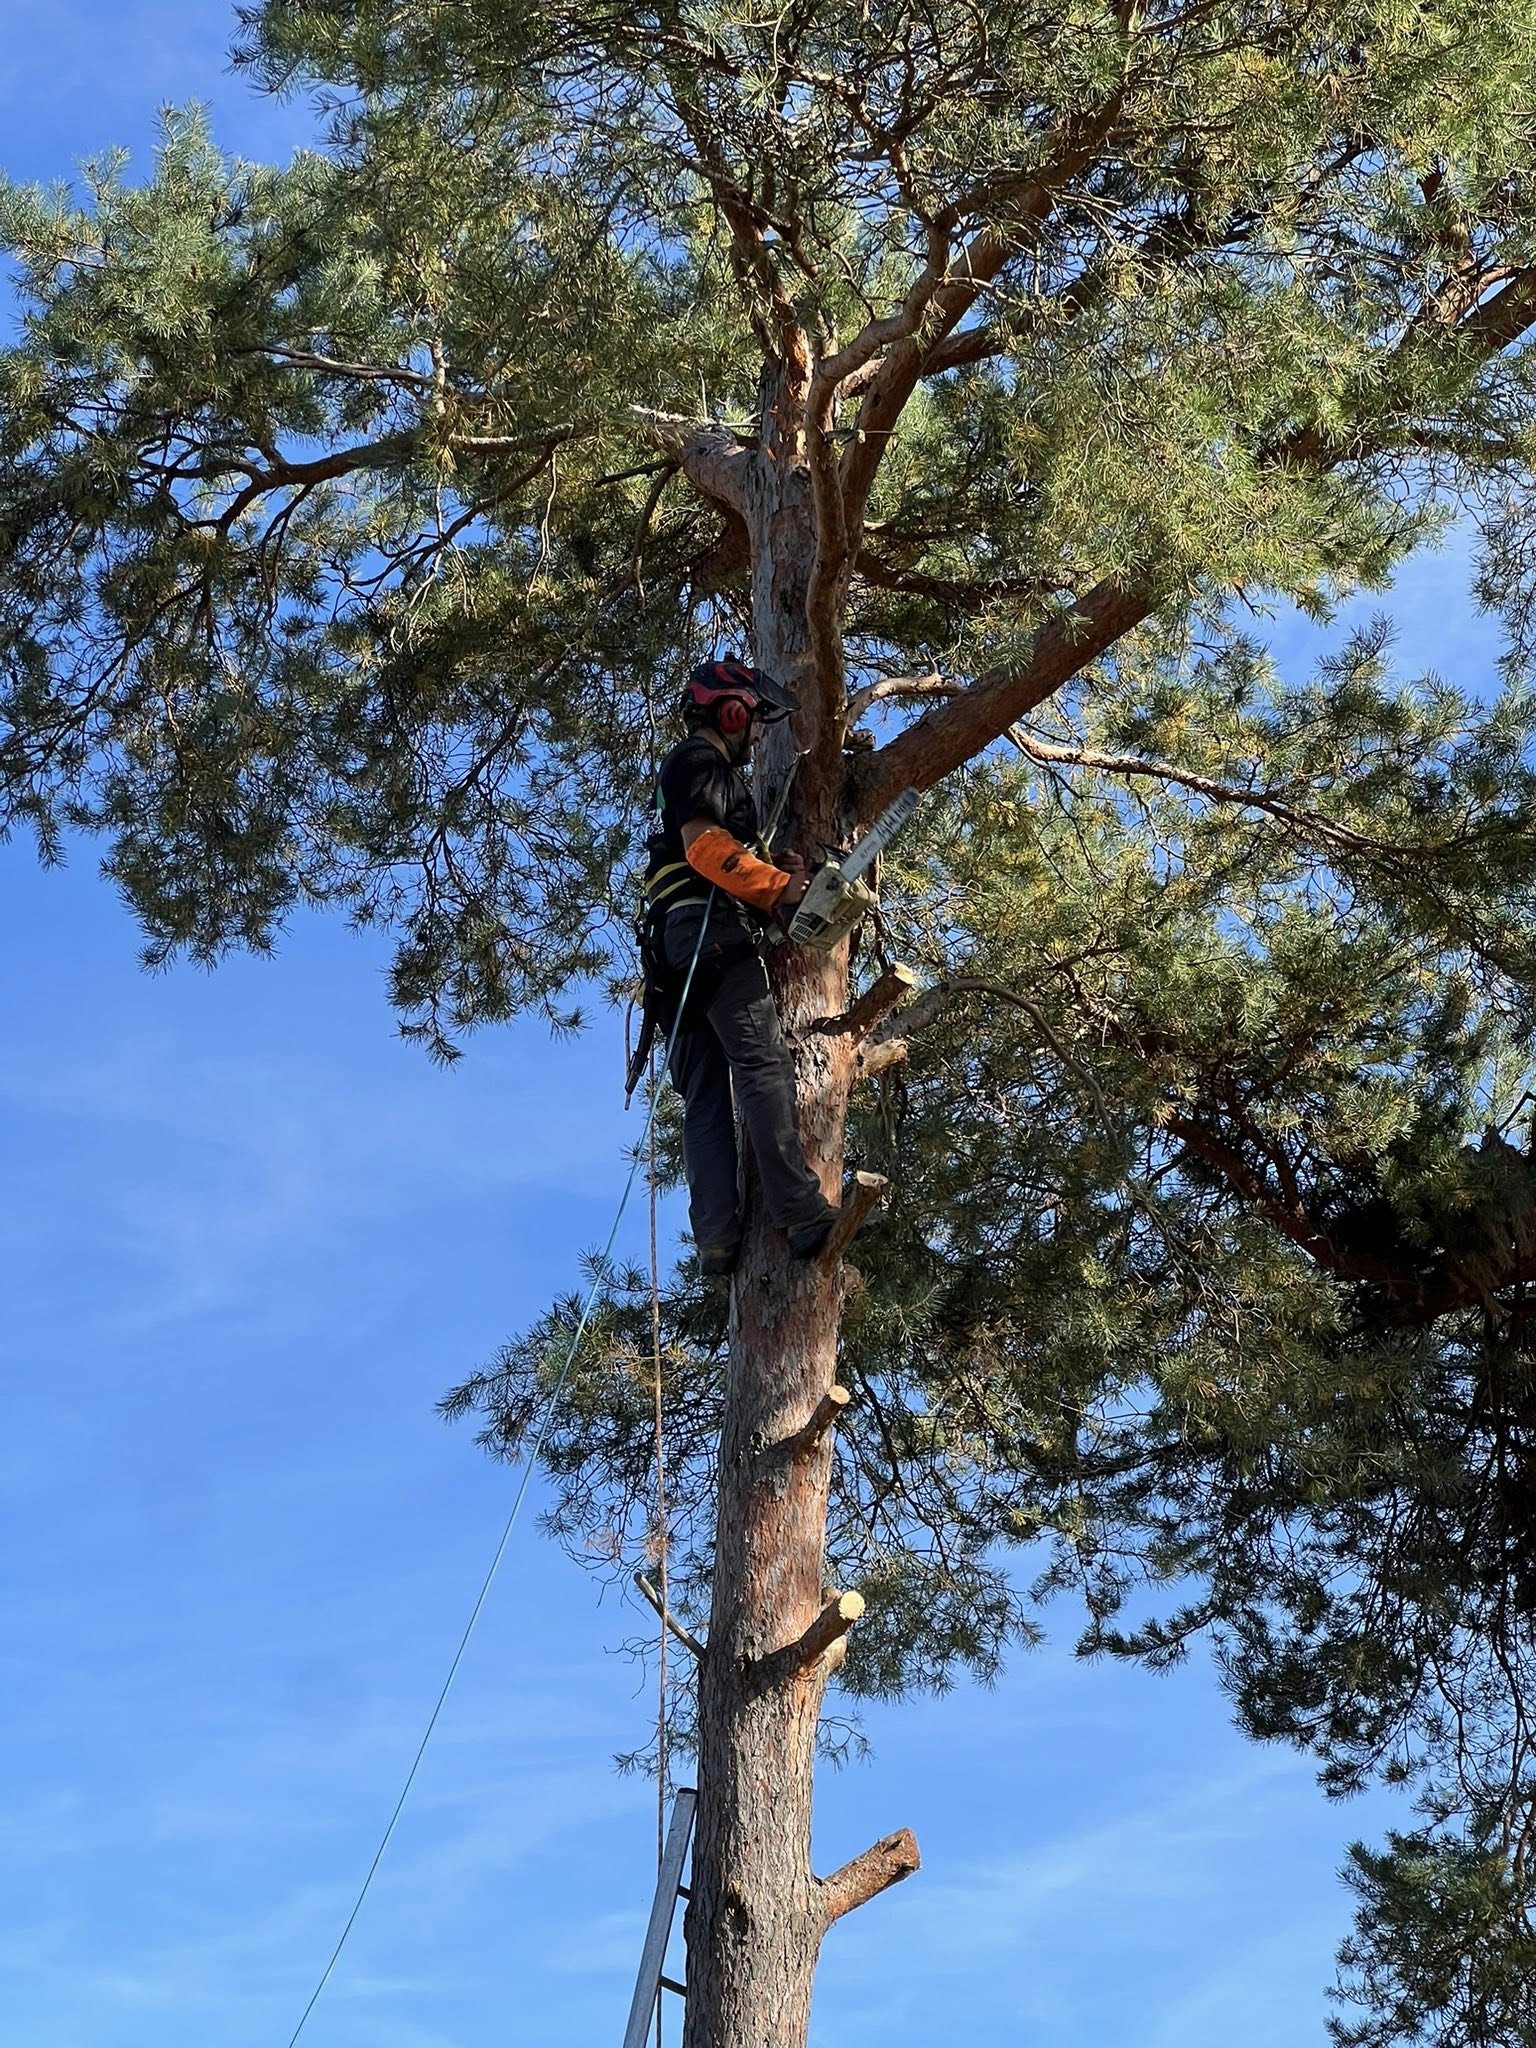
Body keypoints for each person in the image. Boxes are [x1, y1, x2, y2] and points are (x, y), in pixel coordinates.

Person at [641, 656, 840, 1276]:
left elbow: (724, 856)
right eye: (754, 723)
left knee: (704, 1093)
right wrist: (779, 886)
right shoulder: (699, 762)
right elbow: (706, 850)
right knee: (761, 1065)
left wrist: (777, 874)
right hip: (708, 934)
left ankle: (718, 1237)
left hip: (674, 951)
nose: (757, 739)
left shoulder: (700, 776)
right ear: (731, 712)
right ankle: (800, 1211)